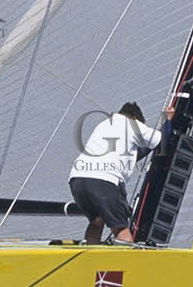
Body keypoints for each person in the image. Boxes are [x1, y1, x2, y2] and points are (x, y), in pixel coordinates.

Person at [68, 101, 172, 243]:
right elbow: (162, 139)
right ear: (135, 117)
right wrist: (168, 120)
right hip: (103, 181)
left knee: (97, 221)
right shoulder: (133, 124)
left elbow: (133, 155)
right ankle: (129, 256)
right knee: (120, 227)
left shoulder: (104, 124)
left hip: (77, 179)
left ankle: (90, 253)